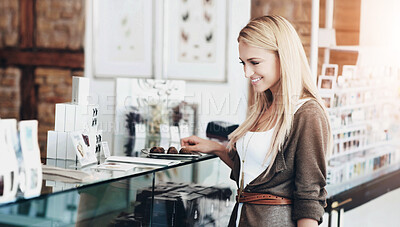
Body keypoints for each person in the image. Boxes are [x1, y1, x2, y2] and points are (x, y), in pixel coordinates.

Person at [181, 15, 332, 227]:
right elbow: (253, 172)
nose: (246, 72)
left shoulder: (307, 113)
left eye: (254, 62)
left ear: (283, 57)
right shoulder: (263, 108)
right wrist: (216, 148)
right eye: (243, 63)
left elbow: (309, 196)